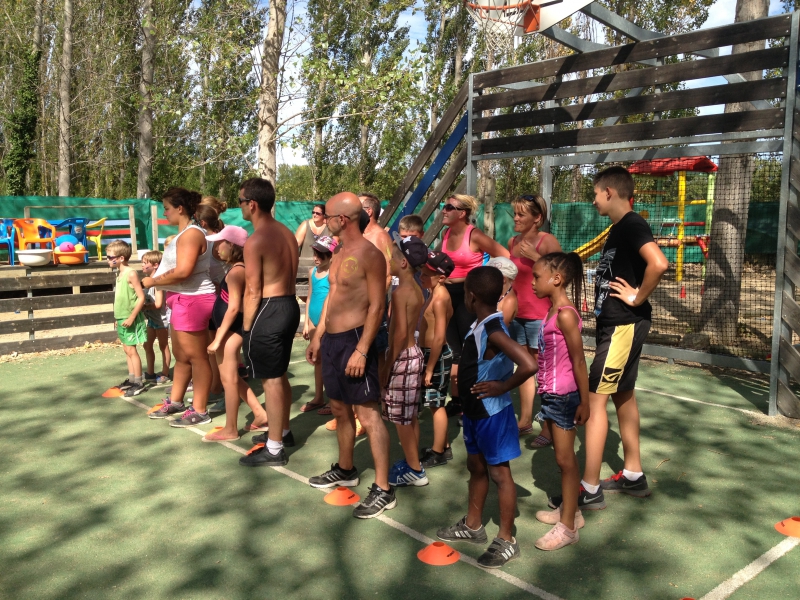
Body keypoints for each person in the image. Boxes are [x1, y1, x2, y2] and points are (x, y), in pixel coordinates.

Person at [550, 166, 669, 511]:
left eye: (595, 193)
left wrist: (637, 297)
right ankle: (633, 474)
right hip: (616, 325)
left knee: (595, 400)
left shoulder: (632, 224)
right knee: (623, 396)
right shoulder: (618, 229)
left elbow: (658, 264)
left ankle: (588, 488)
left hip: (623, 325)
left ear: (609, 193)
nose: (593, 199)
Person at [436, 266, 536, 569]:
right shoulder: (481, 324)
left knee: (500, 475)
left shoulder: (493, 329)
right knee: (475, 467)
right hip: (475, 412)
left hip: (493, 414)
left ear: (471, 296)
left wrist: (503, 385)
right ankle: (474, 524)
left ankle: (507, 540)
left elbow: (529, 364)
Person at [306, 192, 395, 519]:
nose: (322, 221)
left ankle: (384, 489)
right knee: (340, 407)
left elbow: (377, 305)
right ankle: (346, 469)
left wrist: (361, 349)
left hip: (356, 340)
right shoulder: (339, 250)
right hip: (332, 341)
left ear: (342, 220)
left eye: (327, 216)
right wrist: (318, 335)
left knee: (368, 414)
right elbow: (333, 295)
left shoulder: (370, 254)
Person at [237, 178, 301, 467]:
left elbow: (253, 291)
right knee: (280, 374)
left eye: (240, 201)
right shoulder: (287, 233)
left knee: (271, 379)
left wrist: (247, 330)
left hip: (269, 310)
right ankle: (282, 432)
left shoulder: (256, 239)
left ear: (252, 204)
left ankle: (274, 449)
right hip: (289, 306)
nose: (239, 206)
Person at [530, 252, 590, 550]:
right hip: (551, 394)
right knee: (561, 459)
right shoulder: (552, 311)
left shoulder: (565, 314)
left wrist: (585, 401)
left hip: (565, 396)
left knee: (566, 462)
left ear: (557, 279)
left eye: (536, 277)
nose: (532, 283)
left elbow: (579, 360)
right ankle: (571, 511)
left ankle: (568, 528)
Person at [142, 187, 217, 427]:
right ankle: (176, 401)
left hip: (194, 300)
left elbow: (184, 272)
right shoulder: (183, 234)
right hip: (181, 300)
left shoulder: (192, 234)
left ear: (180, 208)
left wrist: (153, 281)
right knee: (181, 356)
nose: (165, 213)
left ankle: (200, 409)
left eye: (167, 208)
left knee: (197, 357)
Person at [438, 194, 509, 418]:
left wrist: (491, 287)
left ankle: (471, 399)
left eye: (449, 207)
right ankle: (458, 400)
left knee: (471, 349)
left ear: (463, 213)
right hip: (447, 295)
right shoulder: (445, 233)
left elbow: (505, 256)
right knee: (454, 350)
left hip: (470, 297)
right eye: (444, 206)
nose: (444, 210)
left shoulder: (475, 235)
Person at [202, 226, 269, 442]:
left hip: (231, 331)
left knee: (229, 379)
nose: (216, 247)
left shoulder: (236, 272)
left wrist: (219, 338)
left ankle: (231, 429)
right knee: (229, 378)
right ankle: (259, 413)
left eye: (220, 243)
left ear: (232, 245)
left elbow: (233, 308)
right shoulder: (238, 269)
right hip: (230, 330)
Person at [508, 194, 563, 441]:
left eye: (521, 214)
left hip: (540, 316)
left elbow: (562, 275)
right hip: (517, 315)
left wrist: (535, 257)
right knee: (524, 367)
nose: (516, 218)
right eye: (515, 214)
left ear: (537, 218)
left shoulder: (547, 241)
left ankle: (550, 427)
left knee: (544, 371)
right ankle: (525, 419)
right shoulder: (512, 241)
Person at [382, 233, 428, 487]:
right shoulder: (417, 289)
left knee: (400, 419)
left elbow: (399, 334)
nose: (389, 260)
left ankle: (415, 469)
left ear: (402, 263)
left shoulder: (402, 293)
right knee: (409, 415)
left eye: (393, 256)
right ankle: (413, 462)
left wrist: (388, 367)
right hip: (412, 355)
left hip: (403, 356)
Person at [418, 251, 455, 468]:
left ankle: (438, 452)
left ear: (440, 277)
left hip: (436, 355)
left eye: (426, 274)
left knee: (436, 404)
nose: (421, 276)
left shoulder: (440, 298)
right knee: (434, 402)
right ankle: (444, 445)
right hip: (430, 353)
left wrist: (430, 368)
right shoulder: (434, 292)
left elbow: (440, 336)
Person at [300, 235, 337, 413]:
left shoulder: (333, 274)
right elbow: (309, 297)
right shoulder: (312, 273)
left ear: (331, 256)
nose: (316, 258)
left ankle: (333, 399)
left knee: (330, 360)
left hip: (328, 322)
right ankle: (318, 397)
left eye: (320, 255)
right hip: (314, 321)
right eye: (315, 254)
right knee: (317, 359)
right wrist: (307, 323)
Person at [107, 240, 148, 396]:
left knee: (132, 350)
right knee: (126, 349)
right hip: (121, 317)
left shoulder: (131, 273)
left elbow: (141, 297)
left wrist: (132, 317)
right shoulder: (120, 274)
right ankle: (132, 379)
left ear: (121, 258)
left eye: (111, 257)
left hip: (130, 318)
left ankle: (138, 382)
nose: (108, 260)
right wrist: (117, 317)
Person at [140, 250, 171, 385]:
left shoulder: (158, 282)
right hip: (152, 319)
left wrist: (144, 307)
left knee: (163, 346)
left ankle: (165, 373)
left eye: (145, 263)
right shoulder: (146, 282)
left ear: (156, 265)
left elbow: (158, 304)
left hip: (161, 320)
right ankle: (150, 373)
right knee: (147, 345)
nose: (142, 265)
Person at [486, 257, 518, 327]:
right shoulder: (496, 294)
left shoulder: (509, 300)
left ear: (503, 279)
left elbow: (503, 326)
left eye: (491, 277)